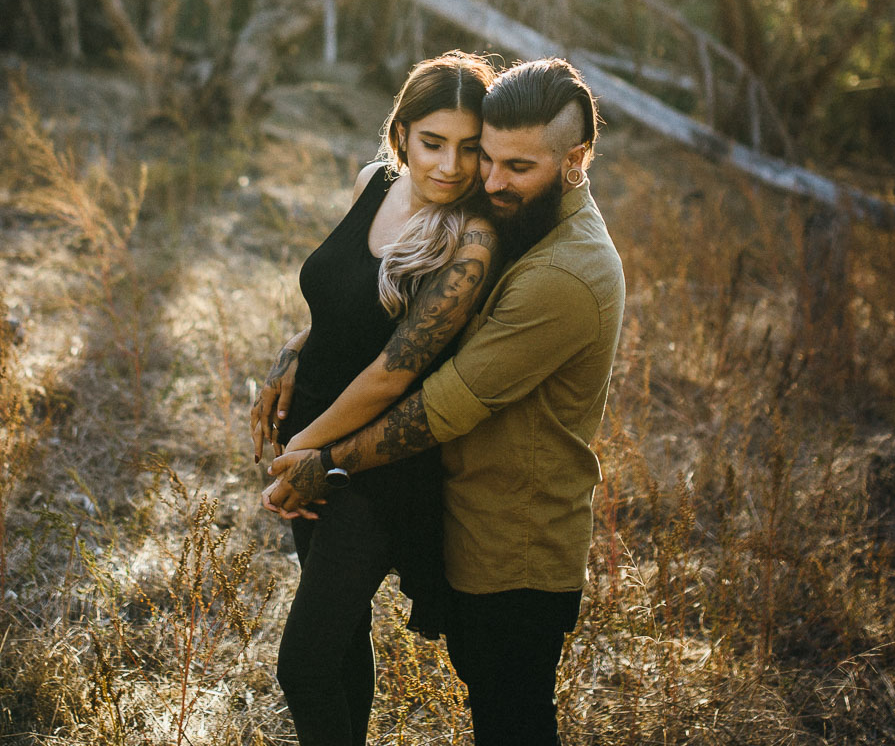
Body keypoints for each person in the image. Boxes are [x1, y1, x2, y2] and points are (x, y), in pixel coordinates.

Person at [265, 57, 625, 746]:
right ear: (401, 134)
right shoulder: (493, 205)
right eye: (481, 156)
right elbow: (362, 298)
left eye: (510, 165)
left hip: (507, 532)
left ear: (576, 159)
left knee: (505, 715)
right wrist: (297, 350)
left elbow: (429, 397)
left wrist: (322, 456)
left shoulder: (554, 267)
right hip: (442, 494)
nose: (482, 179)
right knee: (369, 659)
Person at [248, 50, 501, 746]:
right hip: (312, 431)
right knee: (341, 632)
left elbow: (393, 371)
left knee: (301, 667)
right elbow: (344, 297)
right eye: (432, 143)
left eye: (470, 150)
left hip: (372, 465)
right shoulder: (373, 183)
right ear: (401, 135)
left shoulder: (470, 242)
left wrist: (306, 452)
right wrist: (296, 349)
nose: (449, 166)